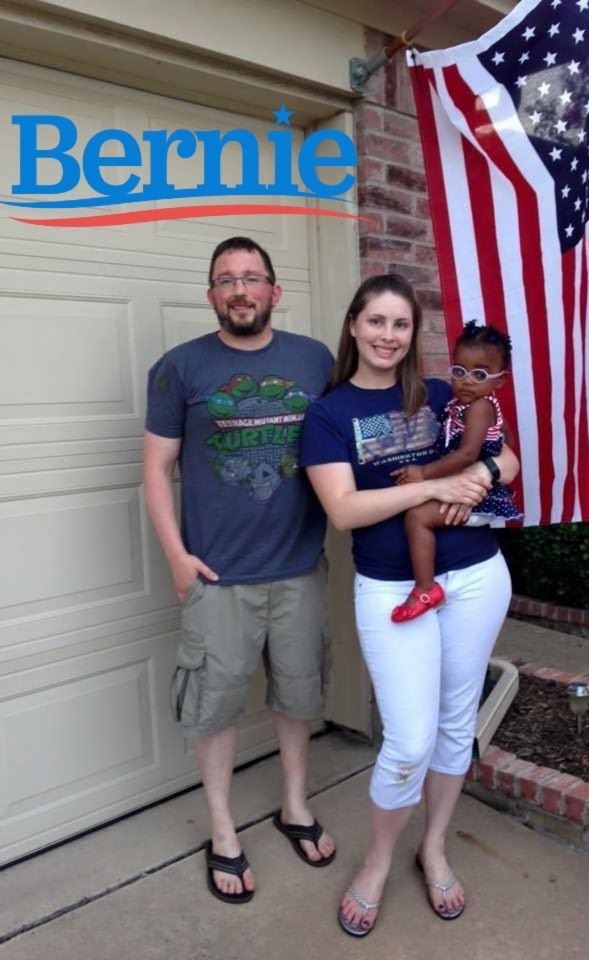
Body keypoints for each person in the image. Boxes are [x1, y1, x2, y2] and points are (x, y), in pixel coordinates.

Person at [300, 274, 518, 936]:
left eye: (400, 324)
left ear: (412, 332)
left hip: (475, 576)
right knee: (408, 740)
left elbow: (508, 462)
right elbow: (344, 511)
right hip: (394, 587)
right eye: (376, 321)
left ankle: (434, 846)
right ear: (354, 325)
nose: (388, 336)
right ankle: (379, 861)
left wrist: (479, 475)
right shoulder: (329, 415)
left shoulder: (446, 393)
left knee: (455, 724)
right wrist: (432, 487)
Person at [143, 236, 336, 906]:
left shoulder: (314, 360)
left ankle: (294, 805)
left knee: (298, 696)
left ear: (274, 291)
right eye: (226, 280)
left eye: (252, 278)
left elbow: (351, 432)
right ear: (212, 296)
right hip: (218, 577)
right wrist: (176, 556)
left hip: (299, 566)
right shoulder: (179, 368)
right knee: (214, 707)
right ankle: (222, 830)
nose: (240, 290)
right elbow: (156, 470)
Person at [390, 319, 521, 623]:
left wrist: (423, 473)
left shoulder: (480, 407)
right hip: (467, 487)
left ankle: (425, 589)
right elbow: (506, 435)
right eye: (459, 371)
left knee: (417, 517)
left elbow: (467, 454)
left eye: (480, 374)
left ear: (500, 381)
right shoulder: (462, 406)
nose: (467, 381)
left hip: (478, 496)